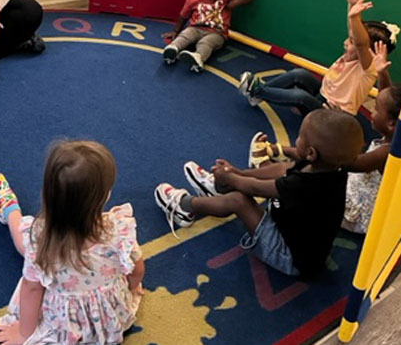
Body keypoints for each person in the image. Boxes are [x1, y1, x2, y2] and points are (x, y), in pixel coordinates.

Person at [154, 109, 364, 279]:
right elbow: (282, 170)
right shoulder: (328, 167)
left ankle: (183, 207)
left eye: (300, 137)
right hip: (294, 231)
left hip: (289, 257)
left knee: (239, 200)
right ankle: (219, 192)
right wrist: (239, 173)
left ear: (311, 152)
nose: (296, 140)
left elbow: (256, 188)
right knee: (254, 180)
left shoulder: (306, 185)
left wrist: (232, 179)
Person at [0, 140, 144, 345]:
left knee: (24, 242)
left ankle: (10, 210)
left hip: (63, 324)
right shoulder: (119, 230)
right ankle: (9, 210)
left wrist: (24, 334)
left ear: (49, 195)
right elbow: (137, 269)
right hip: (107, 322)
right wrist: (129, 292)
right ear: (104, 197)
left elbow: (32, 290)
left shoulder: (40, 238)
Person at [248, 82, 401, 235]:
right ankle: (278, 151)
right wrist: (382, 73)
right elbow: (391, 105)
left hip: (353, 211)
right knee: (317, 159)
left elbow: (349, 161)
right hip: (351, 185)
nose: (372, 112)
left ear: (391, 123)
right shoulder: (394, 137)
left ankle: (265, 167)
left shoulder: (387, 152)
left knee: (321, 160)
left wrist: (340, 130)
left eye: (376, 109)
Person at [238, 0, 399, 115]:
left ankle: (258, 91)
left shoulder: (367, 67)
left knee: (300, 96)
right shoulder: (354, 53)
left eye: (351, 41)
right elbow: (354, 31)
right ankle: (260, 94)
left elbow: (361, 42)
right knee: (299, 74)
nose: (346, 41)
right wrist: (352, 5)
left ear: (368, 51)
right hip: (323, 94)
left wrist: (355, 17)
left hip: (332, 114)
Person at [162, 0, 254, 72]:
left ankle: (199, 57)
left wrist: (234, 3)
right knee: (185, 35)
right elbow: (183, 15)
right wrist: (176, 31)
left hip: (217, 33)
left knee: (206, 42)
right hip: (196, 28)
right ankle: (173, 49)